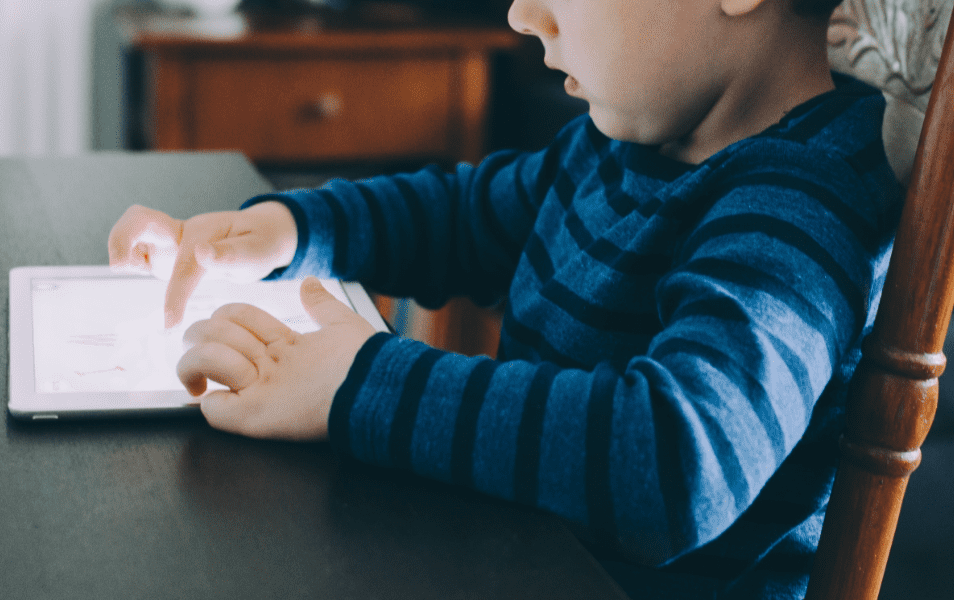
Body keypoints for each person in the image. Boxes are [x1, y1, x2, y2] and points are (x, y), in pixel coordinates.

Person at [108, 0, 903, 595]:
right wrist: (287, 230)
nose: (524, 14)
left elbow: (676, 462)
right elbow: (460, 217)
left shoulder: (802, 203)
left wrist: (362, 381)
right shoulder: (621, 146)